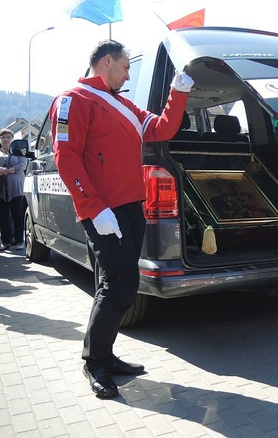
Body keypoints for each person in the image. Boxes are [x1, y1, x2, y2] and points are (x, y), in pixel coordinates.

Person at [50, 40, 193, 398]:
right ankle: (95, 363)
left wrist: (179, 91)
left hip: (131, 207)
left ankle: (105, 355)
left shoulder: (122, 103)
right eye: (126, 67)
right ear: (107, 61)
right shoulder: (74, 99)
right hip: (102, 211)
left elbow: (161, 128)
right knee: (119, 284)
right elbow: (66, 158)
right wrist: (94, 208)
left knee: (122, 285)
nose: (129, 74)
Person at [0, 129, 28, 250]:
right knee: (3, 216)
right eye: (3, 137)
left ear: (12, 139)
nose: (5, 139)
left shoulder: (18, 152)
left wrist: (8, 171)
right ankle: (5, 241)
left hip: (16, 189)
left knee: (17, 215)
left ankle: (19, 241)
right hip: (1, 190)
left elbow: (22, 165)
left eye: (8, 137)